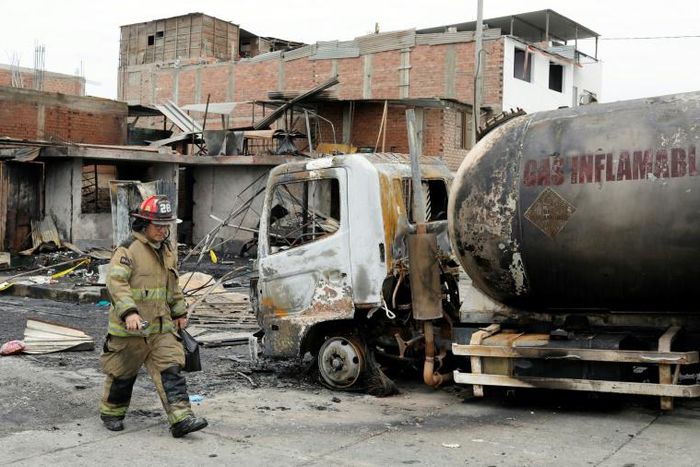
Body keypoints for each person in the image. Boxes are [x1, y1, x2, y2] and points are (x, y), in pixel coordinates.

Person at [99, 194, 208, 438]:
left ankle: (181, 419)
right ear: (143, 224)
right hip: (130, 330)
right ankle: (112, 413)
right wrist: (129, 312)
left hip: (161, 327)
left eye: (165, 225)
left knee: (171, 371)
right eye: (158, 225)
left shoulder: (167, 251)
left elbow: (173, 286)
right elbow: (116, 283)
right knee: (122, 376)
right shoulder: (128, 250)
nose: (162, 230)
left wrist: (179, 312)